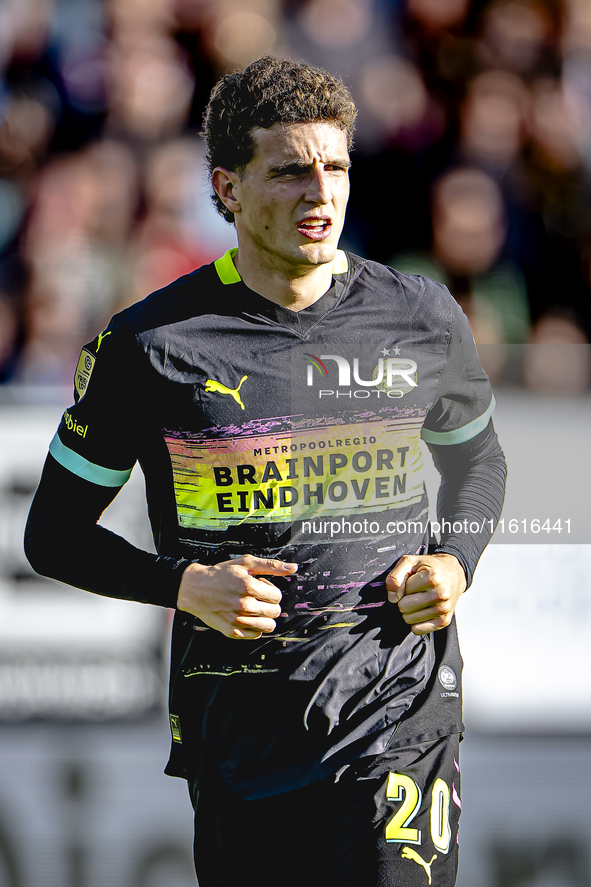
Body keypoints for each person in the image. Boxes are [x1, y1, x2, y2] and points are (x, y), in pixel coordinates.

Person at [25, 55, 506, 887]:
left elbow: (478, 462)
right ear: (229, 187)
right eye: (288, 171)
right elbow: (53, 535)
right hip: (240, 740)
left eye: (335, 167)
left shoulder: (421, 315)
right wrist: (184, 584)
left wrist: (454, 561)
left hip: (398, 715)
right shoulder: (150, 347)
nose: (320, 193)